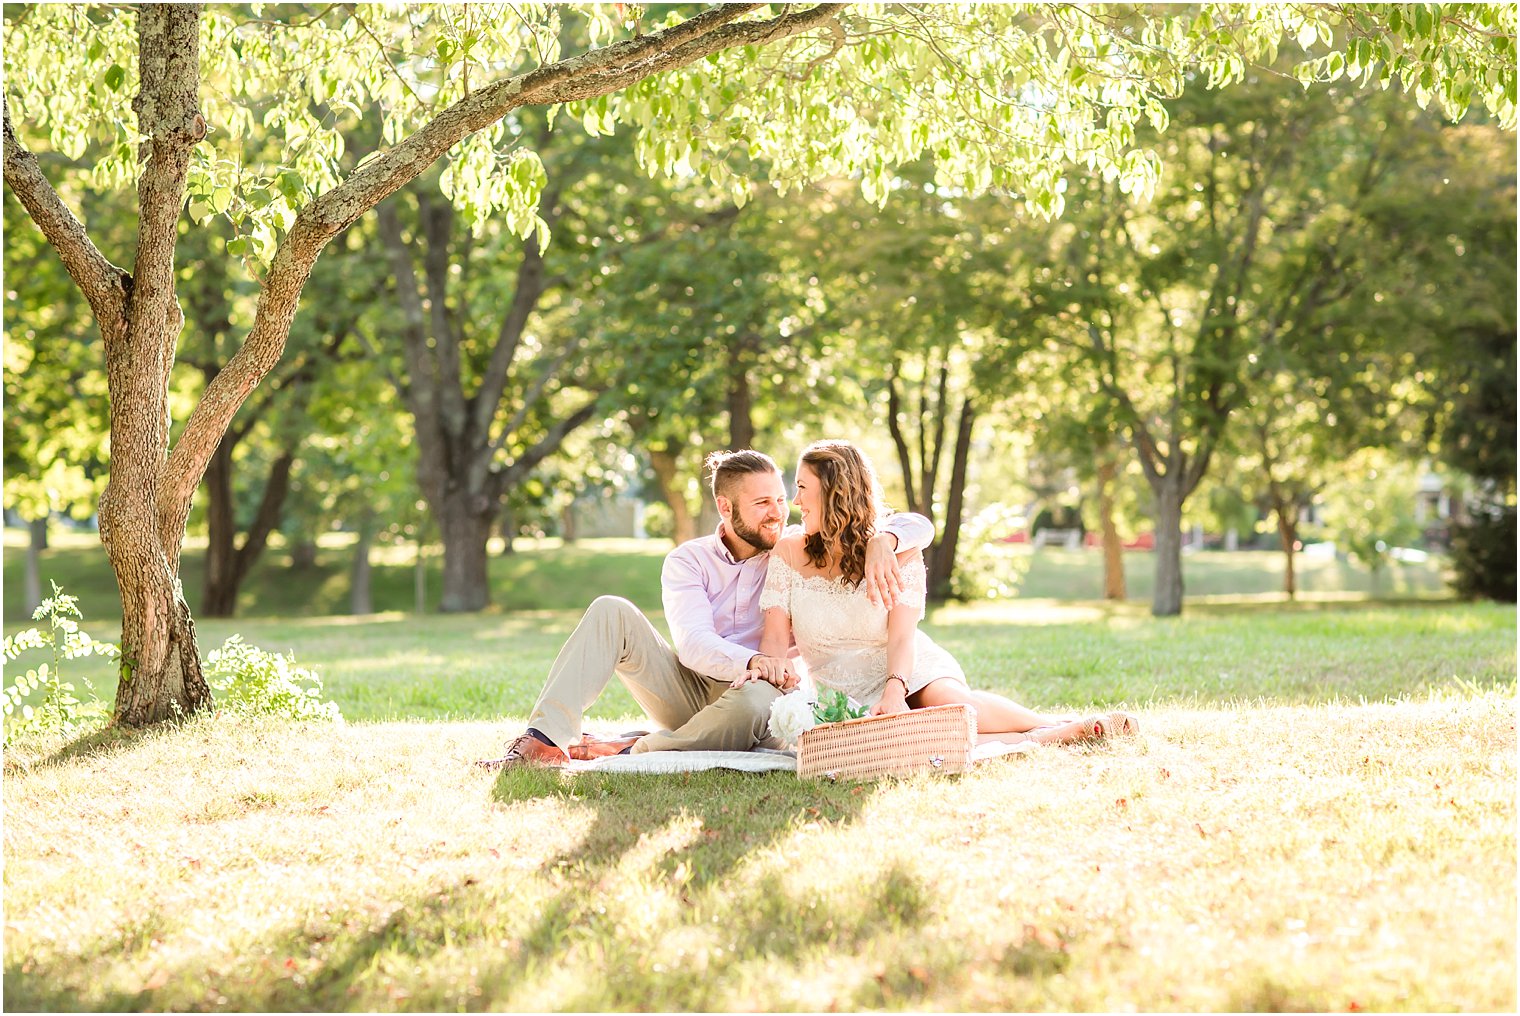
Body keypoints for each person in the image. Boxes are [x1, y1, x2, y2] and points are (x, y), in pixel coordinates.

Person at [476, 449, 934, 770]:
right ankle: (542, 742)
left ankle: (636, 748)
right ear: (725, 506)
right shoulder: (688, 561)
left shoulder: (796, 552)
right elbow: (693, 645)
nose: (779, 512)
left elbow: (915, 523)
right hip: (690, 690)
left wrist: (883, 540)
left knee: (761, 696)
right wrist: (755, 660)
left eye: (781, 499)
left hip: (757, 701)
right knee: (610, 609)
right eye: (762, 504)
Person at [742, 439, 1138, 746]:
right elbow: (775, 640)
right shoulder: (789, 553)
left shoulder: (898, 550)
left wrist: (895, 691)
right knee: (918, 736)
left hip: (906, 668)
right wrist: (773, 683)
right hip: (839, 691)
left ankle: (1049, 726)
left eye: (801, 488)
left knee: (952, 707)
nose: (794, 502)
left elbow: (901, 635)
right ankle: (1032, 735)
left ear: (835, 493)